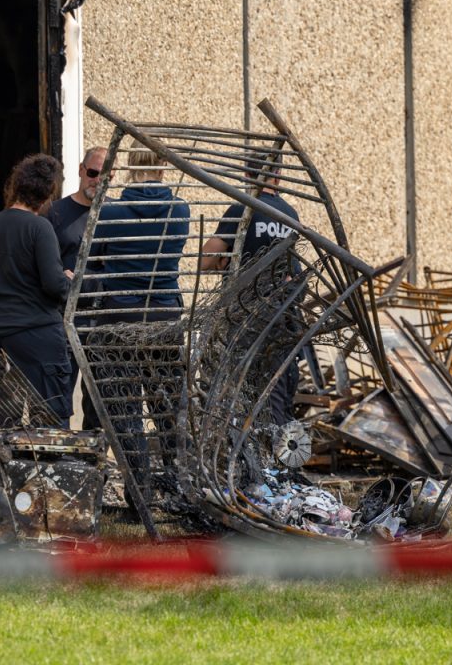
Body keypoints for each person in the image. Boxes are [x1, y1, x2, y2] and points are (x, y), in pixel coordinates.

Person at [89, 141, 190, 483]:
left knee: (126, 405)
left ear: (130, 168)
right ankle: (176, 481)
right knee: (166, 404)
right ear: (163, 169)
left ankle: (139, 486)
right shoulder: (180, 209)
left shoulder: (109, 212)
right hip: (163, 315)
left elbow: (97, 257)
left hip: (120, 317)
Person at [0, 154, 74, 428]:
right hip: (35, 333)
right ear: (48, 193)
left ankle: (9, 471)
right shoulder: (40, 228)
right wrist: (70, 281)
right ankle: (51, 472)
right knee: (50, 419)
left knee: (3, 423)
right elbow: (53, 284)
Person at [199, 156, 302, 425]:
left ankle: (244, 458)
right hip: (280, 317)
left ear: (247, 174)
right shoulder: (290, 215)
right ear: (278, 175)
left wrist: (226, 260)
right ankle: (276, 461)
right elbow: (294, 270)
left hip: (243, 321)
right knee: (274, 392)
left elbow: (205, 260)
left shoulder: (241, 210)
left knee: (237, 391)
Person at [48, 146, 108, 431]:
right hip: (62, 320)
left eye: (105, 175)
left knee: (98, 403)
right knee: (58, 400)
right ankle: (62, 465)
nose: (98, 180)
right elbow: (43, 266)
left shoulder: (114, 216)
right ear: (81, 171)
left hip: (102, 322)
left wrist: (85, 280)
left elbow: (119, 269)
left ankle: (93, 468)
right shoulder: (55, 214)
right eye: (94, 173)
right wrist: (59, 275)